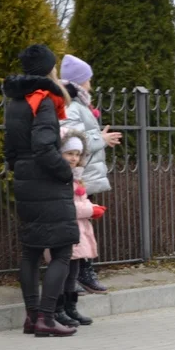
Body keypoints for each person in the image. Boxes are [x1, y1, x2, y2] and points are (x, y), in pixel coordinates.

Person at [4, 45, 79, 338]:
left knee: (31, 251)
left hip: (24, 178)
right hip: (46, 179)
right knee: (62, 250)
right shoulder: (45, 99)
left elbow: (10, 149)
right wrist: (65, 172)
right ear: (48, 70)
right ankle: (47, 318)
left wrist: (21, 170)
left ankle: (32, 317)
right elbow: (45, 146)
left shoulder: (16, 101)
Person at [60, 54, 120, 294]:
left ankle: (82, 272)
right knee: (77, 226)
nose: (90, 84)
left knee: (84, 227)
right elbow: (71, 138)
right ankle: (79, 273)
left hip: (86, 174)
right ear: (79, 81)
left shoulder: (81, 104)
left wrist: (99, 137)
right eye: (88, 80)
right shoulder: (73, 106)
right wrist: (100, 139)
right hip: (79, 175)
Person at [51, 128, 106, 328]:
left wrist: (89, 209)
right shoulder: (60, 176)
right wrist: (91, 209)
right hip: (64, 229)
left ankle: (71, 307)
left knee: (73, 272)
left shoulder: (76, 175)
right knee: (63, 271)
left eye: (77, 154)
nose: (73, 158)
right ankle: (58, 308)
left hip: (77, 230)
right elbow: (66, 205)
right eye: (69, 153)